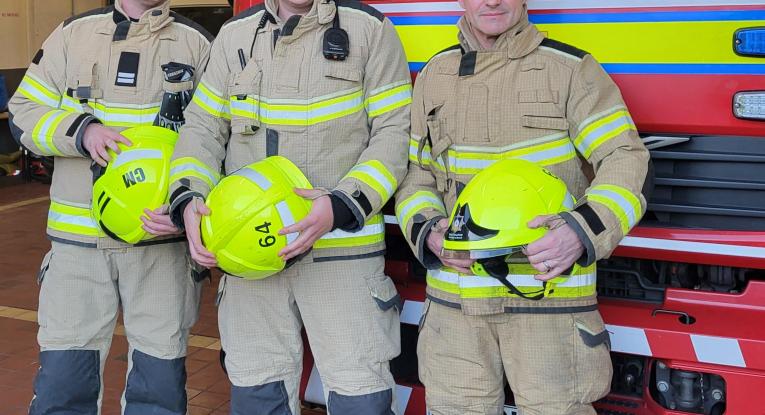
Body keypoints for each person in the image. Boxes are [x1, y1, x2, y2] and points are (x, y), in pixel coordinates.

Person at [394, 0, 650, 413]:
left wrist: (580, 230)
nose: (492, 1)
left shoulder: (570, 69)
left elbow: (626, 157)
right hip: (455, 308)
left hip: (550, 305)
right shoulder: (434, 76)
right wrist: (431, 232)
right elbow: (416, 176)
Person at [167, 0, 411, 413]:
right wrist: (189, 197)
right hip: (249, 258)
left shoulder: (369, 29)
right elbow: (202, 129)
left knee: (361, 393)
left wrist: (341, 205)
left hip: (342, 252)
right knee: (258, 391)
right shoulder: (234, 35)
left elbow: (395, 132)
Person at [8, 1, 212, 413]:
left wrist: (185, 208)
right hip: (78, 249)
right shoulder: (72, 35)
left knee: (159, 387)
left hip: (160, 247)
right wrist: (82, 132)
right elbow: (24, 111)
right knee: (64, 384)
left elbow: (215, 138)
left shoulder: (197, 44)